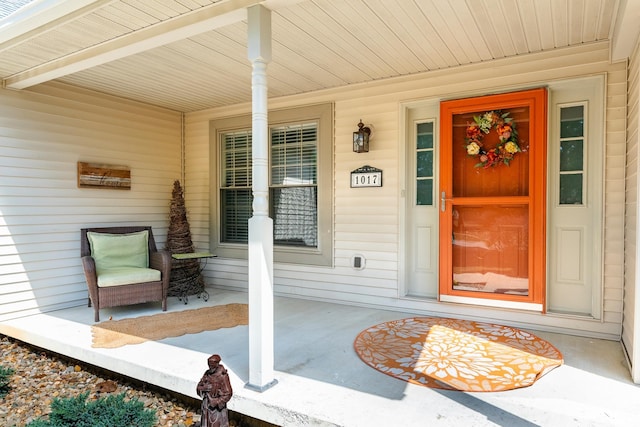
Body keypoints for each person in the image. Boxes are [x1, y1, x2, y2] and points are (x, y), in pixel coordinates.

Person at [196, 354, 233, 427]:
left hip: (216, 408)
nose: (210, 367)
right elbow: (198, 387)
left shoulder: (222, 376)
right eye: (209, 365)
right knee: (205, 423)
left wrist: (217, 402)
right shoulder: (207, 373)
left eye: (212, 366)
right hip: (206, 404)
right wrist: (204, 388)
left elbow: (228, 393)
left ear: (217, 364)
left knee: (216, 423)